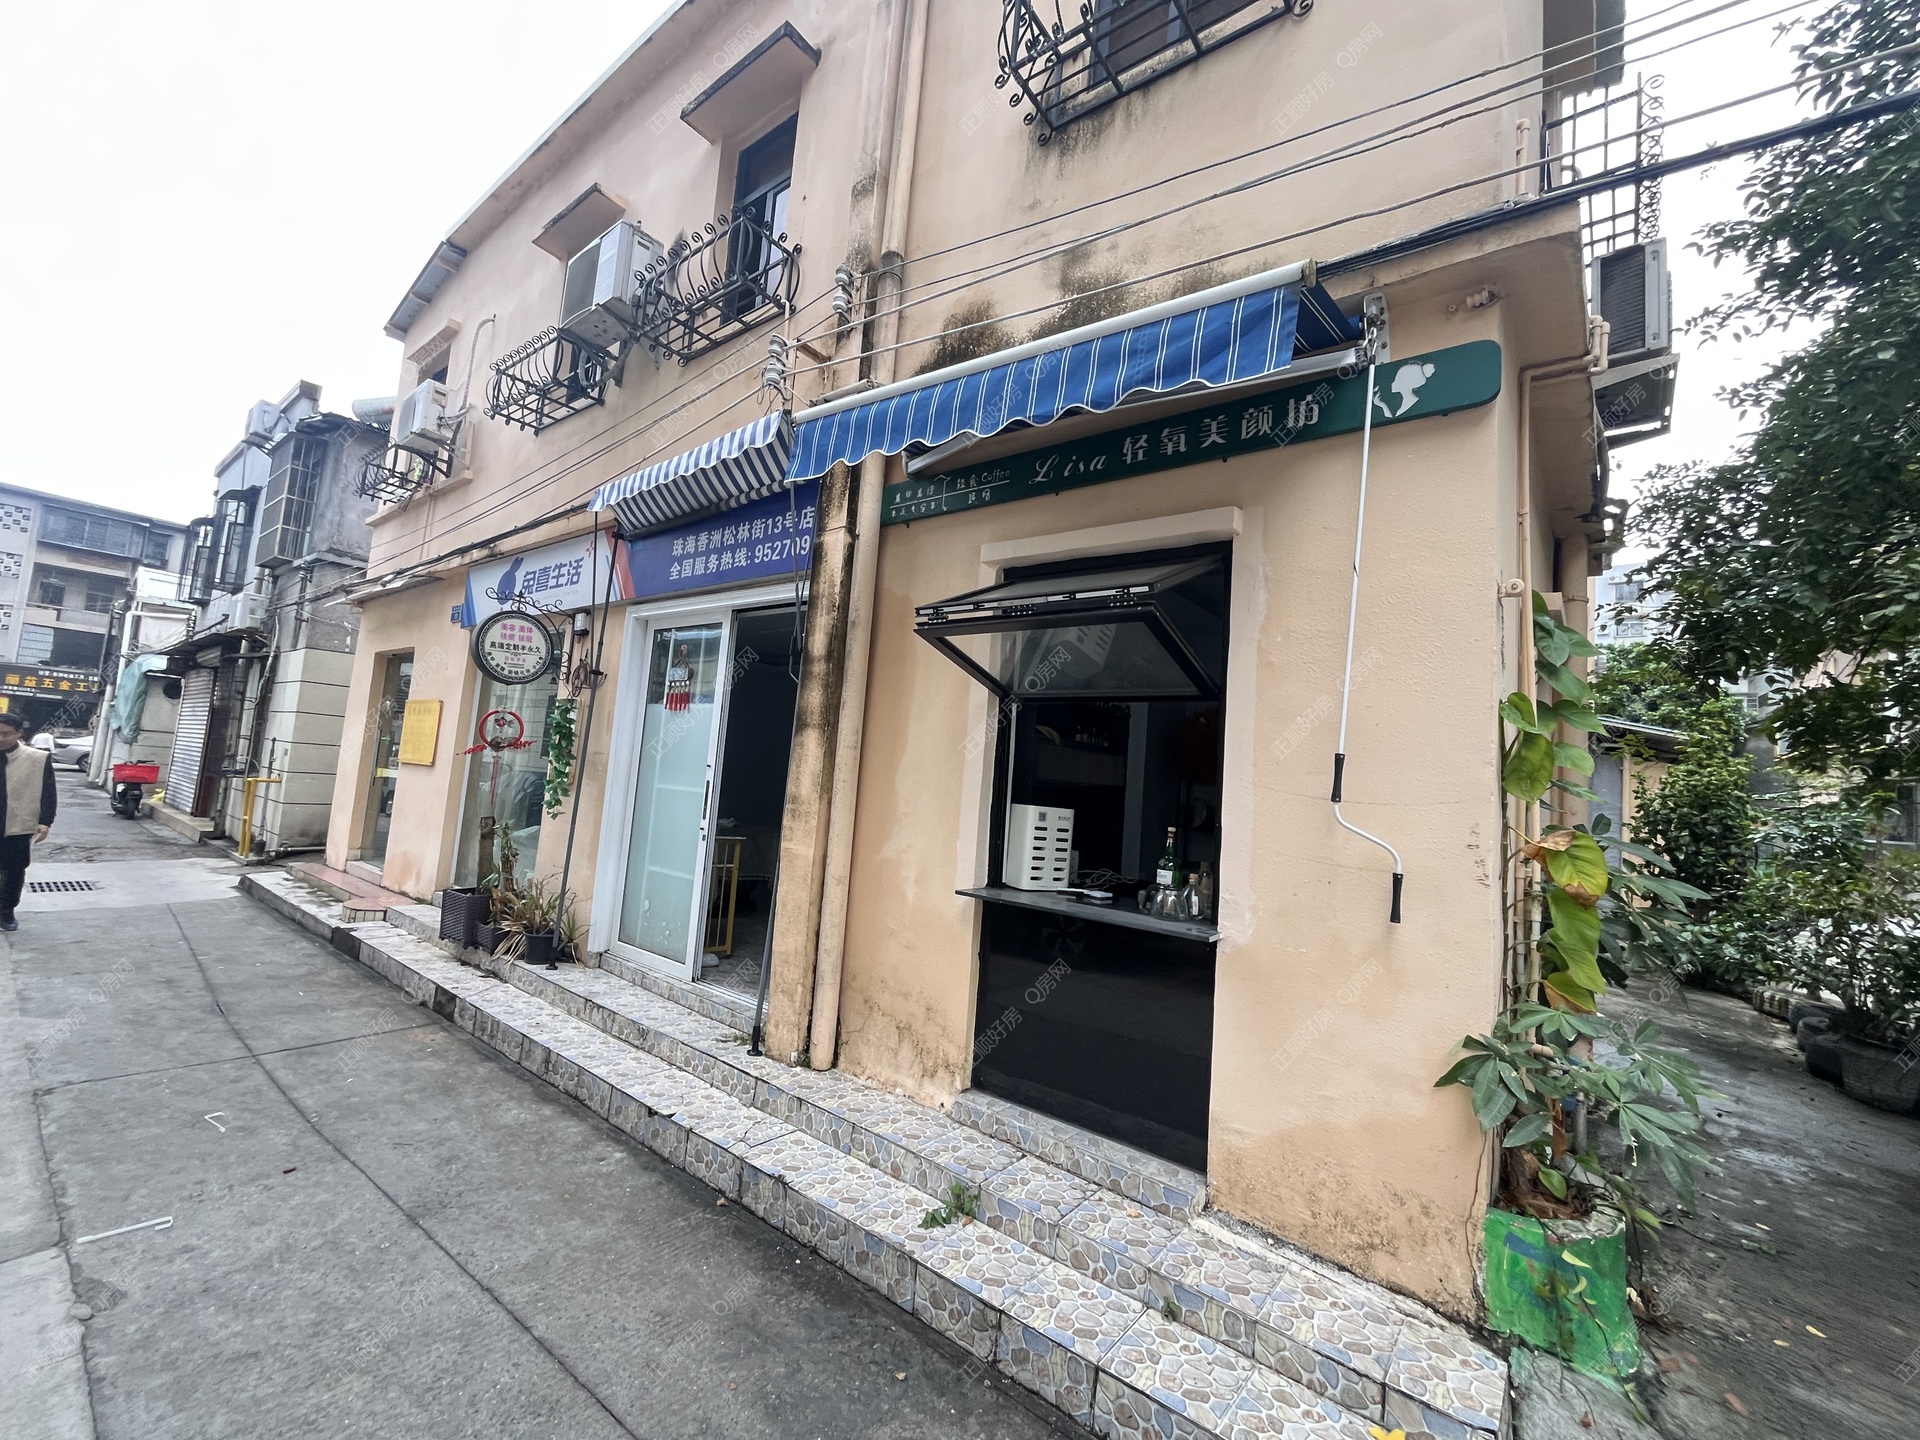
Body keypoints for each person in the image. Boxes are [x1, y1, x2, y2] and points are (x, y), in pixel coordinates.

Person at [0, 714, 56, 932]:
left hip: (18, 825)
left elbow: (48, 792)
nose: (1, 738)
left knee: (13, 872)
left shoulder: (37, 759)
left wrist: (45, 821)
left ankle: (6, 912)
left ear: (19, 733)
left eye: (5, 734)